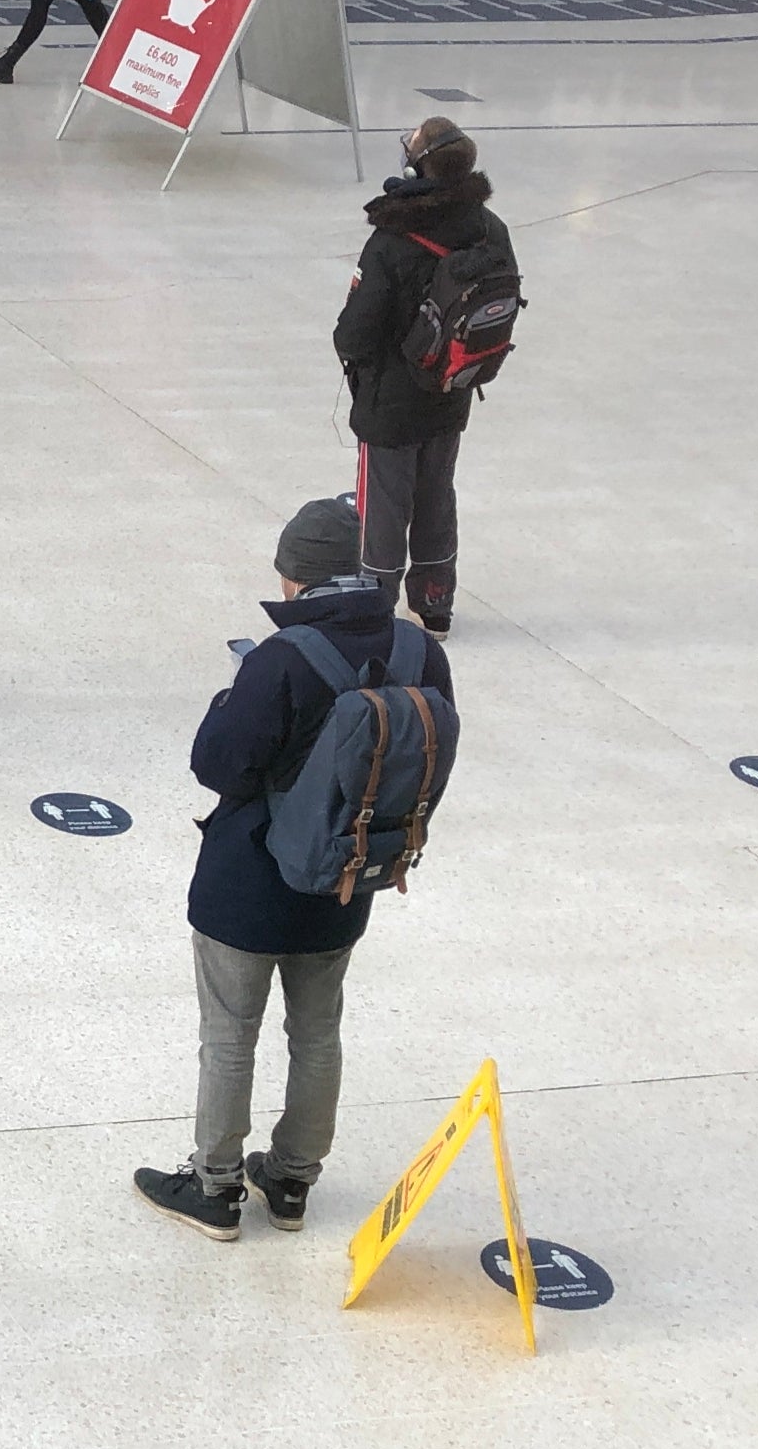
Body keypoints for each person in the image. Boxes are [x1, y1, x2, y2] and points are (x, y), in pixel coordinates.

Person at [134, 499, 455, 1241]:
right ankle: (290, 1178)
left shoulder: (282, 658)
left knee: (229, 1034)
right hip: (347, 876)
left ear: (294, 576)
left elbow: (217, 764)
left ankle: (213, 1186)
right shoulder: (418, 652)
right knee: (316, 1032)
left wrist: (230, 697)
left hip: (247, 881)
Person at [335, 117, 513, 634]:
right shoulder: (489, 227)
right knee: (437, 490)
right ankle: (435, 600)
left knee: (386, 502)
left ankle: (375, 601)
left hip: (391, 396)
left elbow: (356, 332)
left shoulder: (393, 240)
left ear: (418, 165)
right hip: (454, 385)